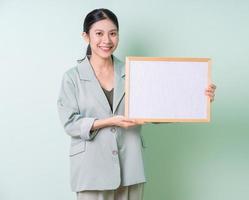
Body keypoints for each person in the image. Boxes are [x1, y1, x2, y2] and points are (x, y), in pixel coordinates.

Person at [57, 8, 216, 200]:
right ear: (86, 36)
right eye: (99, 33)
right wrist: (109, 122)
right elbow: (70, 123)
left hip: (130, 167)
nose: (106, 40)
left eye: (113, 33)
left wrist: (199, 97)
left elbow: (159, 107)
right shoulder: (72, 77)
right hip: (91, 169)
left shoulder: (135, 71)